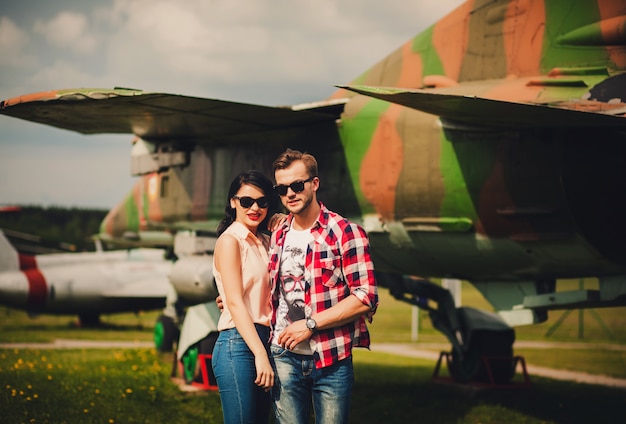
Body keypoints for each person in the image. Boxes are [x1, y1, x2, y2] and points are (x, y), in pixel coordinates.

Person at [268, 148, 379, 424]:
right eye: (282, 189)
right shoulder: (278, 233)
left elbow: (366, 296)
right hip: (283, 357)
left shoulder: (345, 232)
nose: (289, 194)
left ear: (314, 183)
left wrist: (310, 325)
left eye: (297, 185)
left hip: (331, 359)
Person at [211, 169, 279, 424]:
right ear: (233, 202)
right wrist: (260, 354)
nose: (254, 208)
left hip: (266, 341)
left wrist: (282, 219)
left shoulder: (266, 241)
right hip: (238, 345)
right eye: (246, 201)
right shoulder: (230, 241)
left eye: (262, 202)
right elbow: (235, 303)